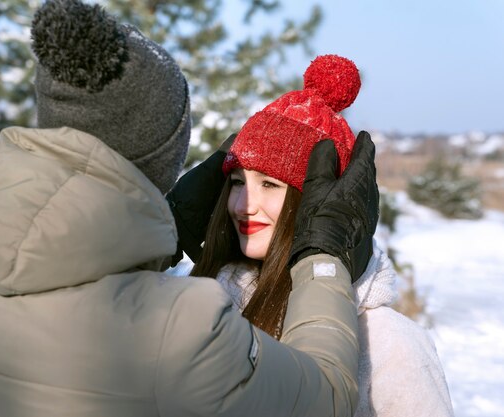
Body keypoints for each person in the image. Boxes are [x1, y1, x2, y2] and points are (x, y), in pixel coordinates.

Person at [0, 2, 374, 416]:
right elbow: (327, 398)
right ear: (159, 155)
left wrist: (157, 232)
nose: (240, 201)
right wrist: (324, 255)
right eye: (237, 181)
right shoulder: (179, 329)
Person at [180, 55, 454, 417]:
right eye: (237, 183)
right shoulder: (210, 302)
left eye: (269, 185)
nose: (244, 204)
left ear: (316, 201)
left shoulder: (387, 343)